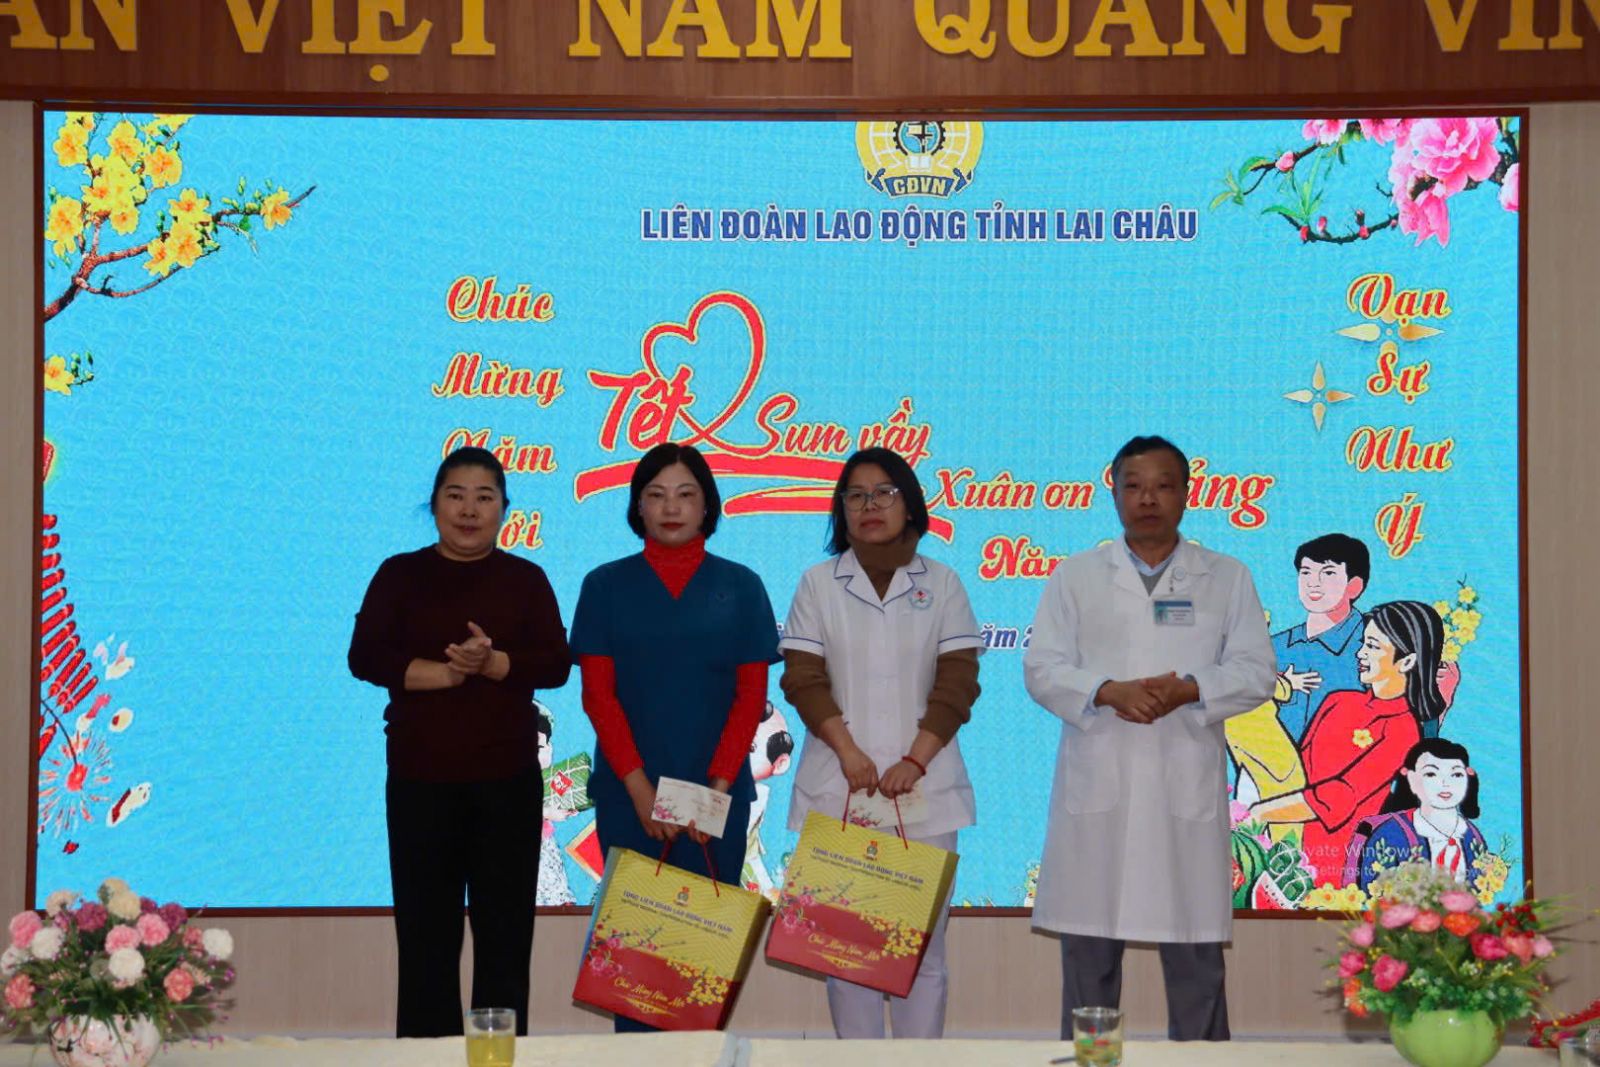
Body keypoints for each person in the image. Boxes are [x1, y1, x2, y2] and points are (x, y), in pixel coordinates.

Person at [1022, 435, 1275, 1043]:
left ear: (1186, 493)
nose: (1148, 499)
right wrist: (1107, 690)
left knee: (1196, 962)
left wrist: (1191, 689)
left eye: (1163, 486)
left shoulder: (1225, 577)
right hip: (1099, 786)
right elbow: (1041, 668)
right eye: (1133, 486)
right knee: (1089, 960)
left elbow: (1257, 671)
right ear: (1113, 493)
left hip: (1181, 783)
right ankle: (1089, 1061)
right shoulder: (1077, 576)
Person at [347, 446, 571, 1038]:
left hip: (507, 786)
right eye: (455, 496)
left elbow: (556, 663)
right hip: (421, 783)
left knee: (505, 941)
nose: (469, 510)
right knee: (426, 940)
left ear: (504, 509)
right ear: (435, 505)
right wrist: (444, 674)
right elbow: (365, 656)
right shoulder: (399, 574)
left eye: (484, 497)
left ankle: (497, 1057)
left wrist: (495, 663)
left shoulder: (525, 579)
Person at [568, 442, 780, 1033]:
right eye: (656, 495)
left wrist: (714, 794)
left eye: (686, 494)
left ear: (707, 506)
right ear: (637, 506)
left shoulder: (741, 586)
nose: (671, 507)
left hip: (717, 801)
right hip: (627, 795)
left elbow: (749, 700)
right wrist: (641, 793)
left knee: (698, 972)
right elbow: (598, 698)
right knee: (637, 973)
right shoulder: (605, 586)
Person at [778, 446, 983, 1039]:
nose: (870, 505)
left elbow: (958, 682)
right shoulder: (818, 584)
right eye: (856, 495)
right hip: (840, 790)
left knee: (922, 954)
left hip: (926, 795)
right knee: (847, 957)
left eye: (885, 493)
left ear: (910, 505)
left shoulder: (942, 582)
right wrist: (848, 752)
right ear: (841, 509)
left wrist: (917, 758)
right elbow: (803, 679)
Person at [1250, 600, 1449, 890]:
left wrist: (1259, 813)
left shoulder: (1403, 730)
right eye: (1363, 643)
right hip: (1284, 843)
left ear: (1407, 661)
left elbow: (1339, 796)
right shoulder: (1340, 701)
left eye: (1373, 646)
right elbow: (1295, 770)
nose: (1361, 653)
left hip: (1334, 864)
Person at [1351, 737, 1488, 894]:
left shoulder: (1473, 837)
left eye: (1456, 774)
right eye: (1431, 774)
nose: (1445, 783)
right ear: (1410, 777)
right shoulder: (1391, 834)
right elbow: (1373, 895)